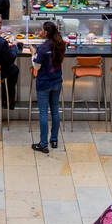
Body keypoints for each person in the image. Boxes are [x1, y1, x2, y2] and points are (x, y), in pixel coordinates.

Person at [31, 20, 65, 153]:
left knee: (44, 113)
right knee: (55, 111)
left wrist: (34, 53)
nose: (40, 32)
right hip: (57, 81)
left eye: (41, 30)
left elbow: (36, 66)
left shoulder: (43, 48)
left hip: (44, 83)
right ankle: (54, 140)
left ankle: (43, 143)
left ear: (46, 32)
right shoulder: (61, 44)